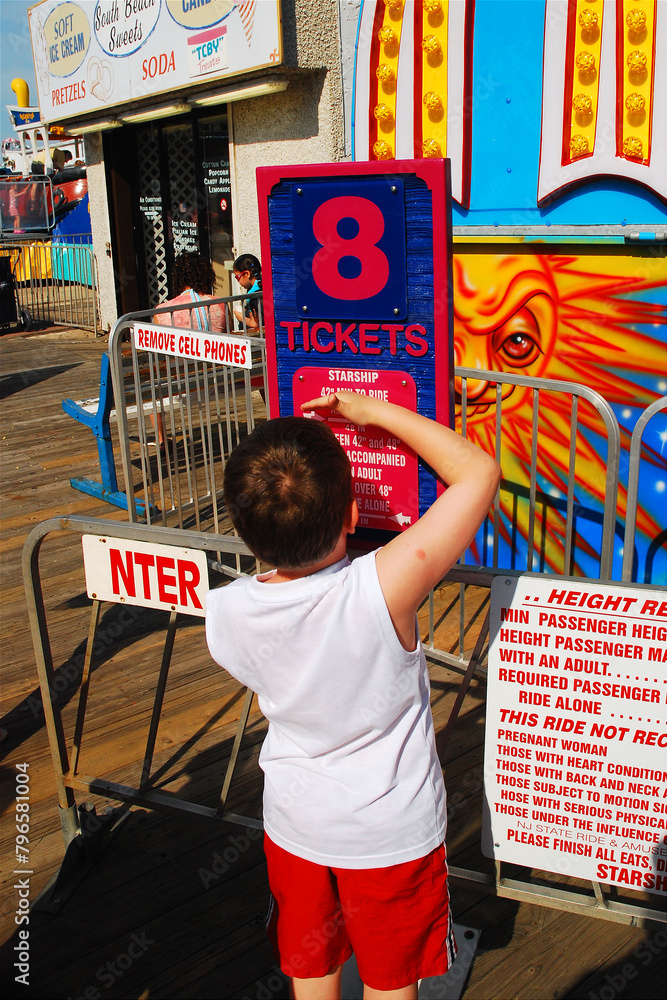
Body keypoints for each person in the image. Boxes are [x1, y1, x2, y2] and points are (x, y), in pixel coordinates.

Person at [206, 391, 501, 1000]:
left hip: (295, 826)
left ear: (243, 528)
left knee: (312, 968)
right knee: (391, 981)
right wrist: (375, 412)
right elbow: (478, 472)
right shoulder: (383, 588)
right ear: (350, 515)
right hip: (389, 834)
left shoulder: (225, 611)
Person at [158, 251, 228, 333]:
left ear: (177, 278)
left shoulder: (161, 311)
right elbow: (229, 336)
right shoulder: (221, 304)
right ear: (206, 276)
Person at [232, 252, 262, 331]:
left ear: (247, 274)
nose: (237, 280)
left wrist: (241, 317)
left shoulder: (255, 295)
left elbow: (255, 323)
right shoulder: (259, 287)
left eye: (237, 277)